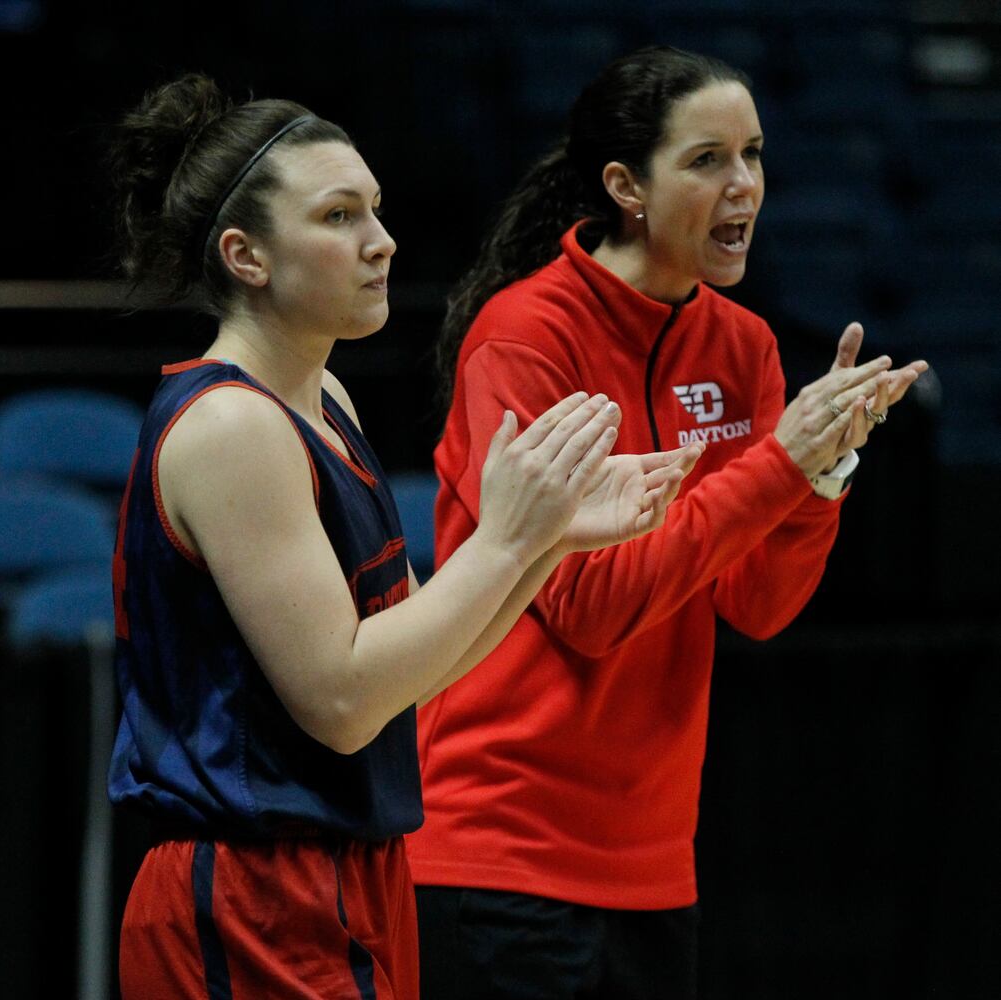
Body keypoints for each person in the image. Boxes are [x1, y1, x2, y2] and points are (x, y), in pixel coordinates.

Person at [105, 72, 700, 1000]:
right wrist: (504, 543)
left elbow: (409, 670)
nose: (380, 242)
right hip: (251, 889)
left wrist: (547, 541)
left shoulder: (325, 399)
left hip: (353, 875)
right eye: (339, 216)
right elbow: (340, 704)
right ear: (247, 256)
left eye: (375, 209)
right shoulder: (232, 428)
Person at [407, 45, 929, 1000]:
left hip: (653, 862)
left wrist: (821, 478)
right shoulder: (527, 340)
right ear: (625, 186)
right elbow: (588, 609)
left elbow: (757, 605)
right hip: (498, 852)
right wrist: (780, 463)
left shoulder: (742, 347)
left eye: (755, 155)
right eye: (707, 160)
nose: (745, 187)